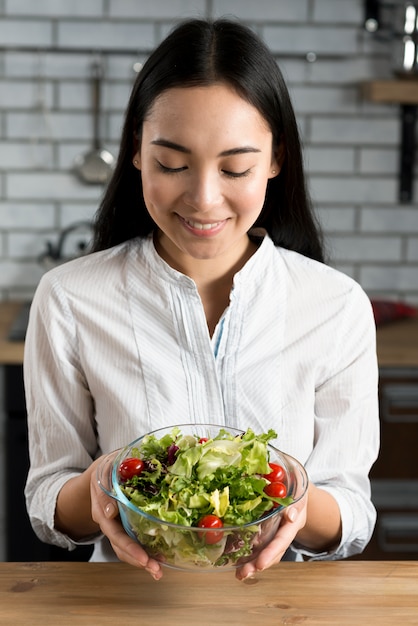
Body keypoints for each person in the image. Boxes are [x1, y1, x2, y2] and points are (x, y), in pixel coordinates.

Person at [24, 18, 379, 581]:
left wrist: (297, 501)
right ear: (136, 152)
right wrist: (103, 482)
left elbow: (353, 514)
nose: (204, 198)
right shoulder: (69, 297)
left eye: (235, 167)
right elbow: (48, 499)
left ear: (277, 159)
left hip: (283, 609)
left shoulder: (336, 306)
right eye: (171, 164)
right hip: (124, 605)